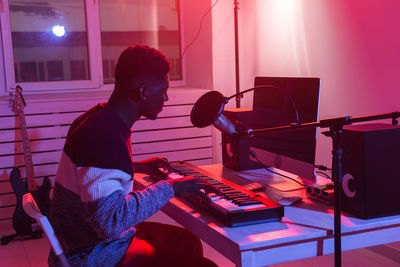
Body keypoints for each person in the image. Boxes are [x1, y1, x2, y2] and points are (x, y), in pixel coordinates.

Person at [49, 45, 218, 267]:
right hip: (92, 252)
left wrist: (138, 167)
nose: (166, 98)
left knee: (188, 242)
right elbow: (109, 221)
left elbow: (94, 173)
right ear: (143, 92)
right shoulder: (104, 137)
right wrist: (172, 188)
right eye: (163, 90)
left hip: (82, 238)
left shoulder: (98, 118)